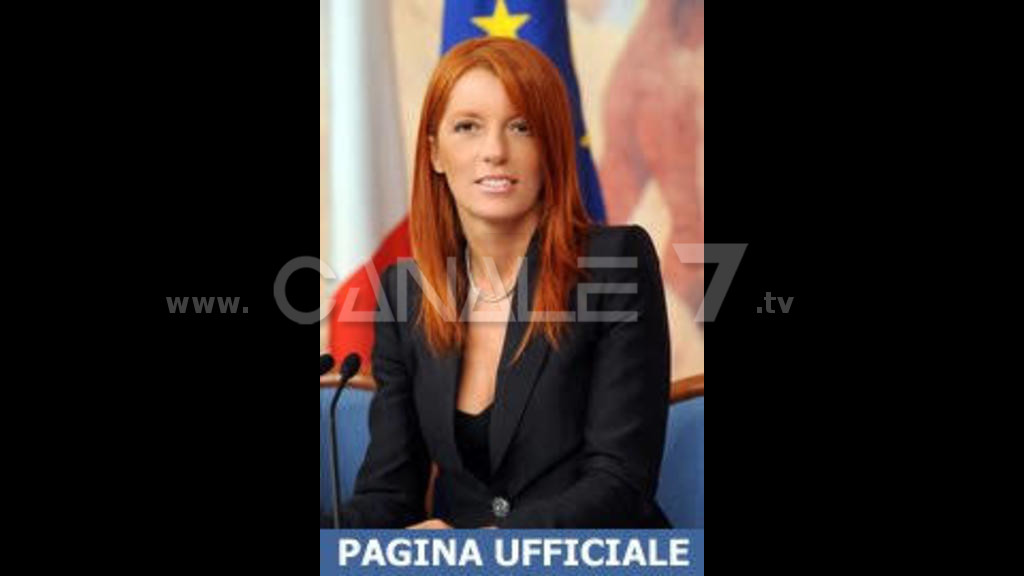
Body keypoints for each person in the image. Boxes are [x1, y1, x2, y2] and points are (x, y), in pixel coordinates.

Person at [339, 37, 671, 529]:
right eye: (468, 127)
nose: (494, 151)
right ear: (435, 153)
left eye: (521, 127)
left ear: (550, 148)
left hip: (590, 558)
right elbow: (390, 495)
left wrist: (486, 547)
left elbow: (619, 483)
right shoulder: (406, 294)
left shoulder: (613, 264)